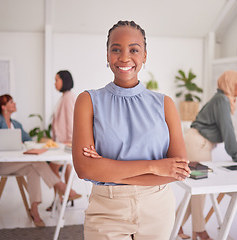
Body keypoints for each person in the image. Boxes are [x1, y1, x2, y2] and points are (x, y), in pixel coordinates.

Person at [72, 20, 190, 240]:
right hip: (107, 209)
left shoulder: (165, 104)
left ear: (144, 56)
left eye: (134, 50)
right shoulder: (88, 101)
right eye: (116, 49)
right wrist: (155, 166)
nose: (124, 57)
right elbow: (85, 169)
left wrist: (108, 170)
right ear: (107, 55)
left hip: (158, 209)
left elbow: (178, 170)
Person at [0, 94, 79, 227]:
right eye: (11, 102)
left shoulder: (16, 124)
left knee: (33, 169)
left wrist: (27, 142)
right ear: (3, 107)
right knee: (35, 162)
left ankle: (34, 210)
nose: (15, 103)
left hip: (16, 164)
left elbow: (28, 140)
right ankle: (60, 186)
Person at [179, 70, 237, 240]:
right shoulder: (222, 100)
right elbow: (228, 131)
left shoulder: (220, 99)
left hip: (197, 142)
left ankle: (177, 224)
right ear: (229, 84)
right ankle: (199, 230)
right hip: (198, 144)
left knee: (197, 191)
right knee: (200, 189)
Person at [45, 70, 81, 211]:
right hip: (61, 141)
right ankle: (65, 196)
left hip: (65, 141)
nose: (55, 83)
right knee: (65, 167)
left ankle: (61, 196)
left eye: (56, 80)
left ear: (64, 80)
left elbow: (71, 120)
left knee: (52, 168)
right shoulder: (65, 97)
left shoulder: (69, 97)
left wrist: (71, 140)